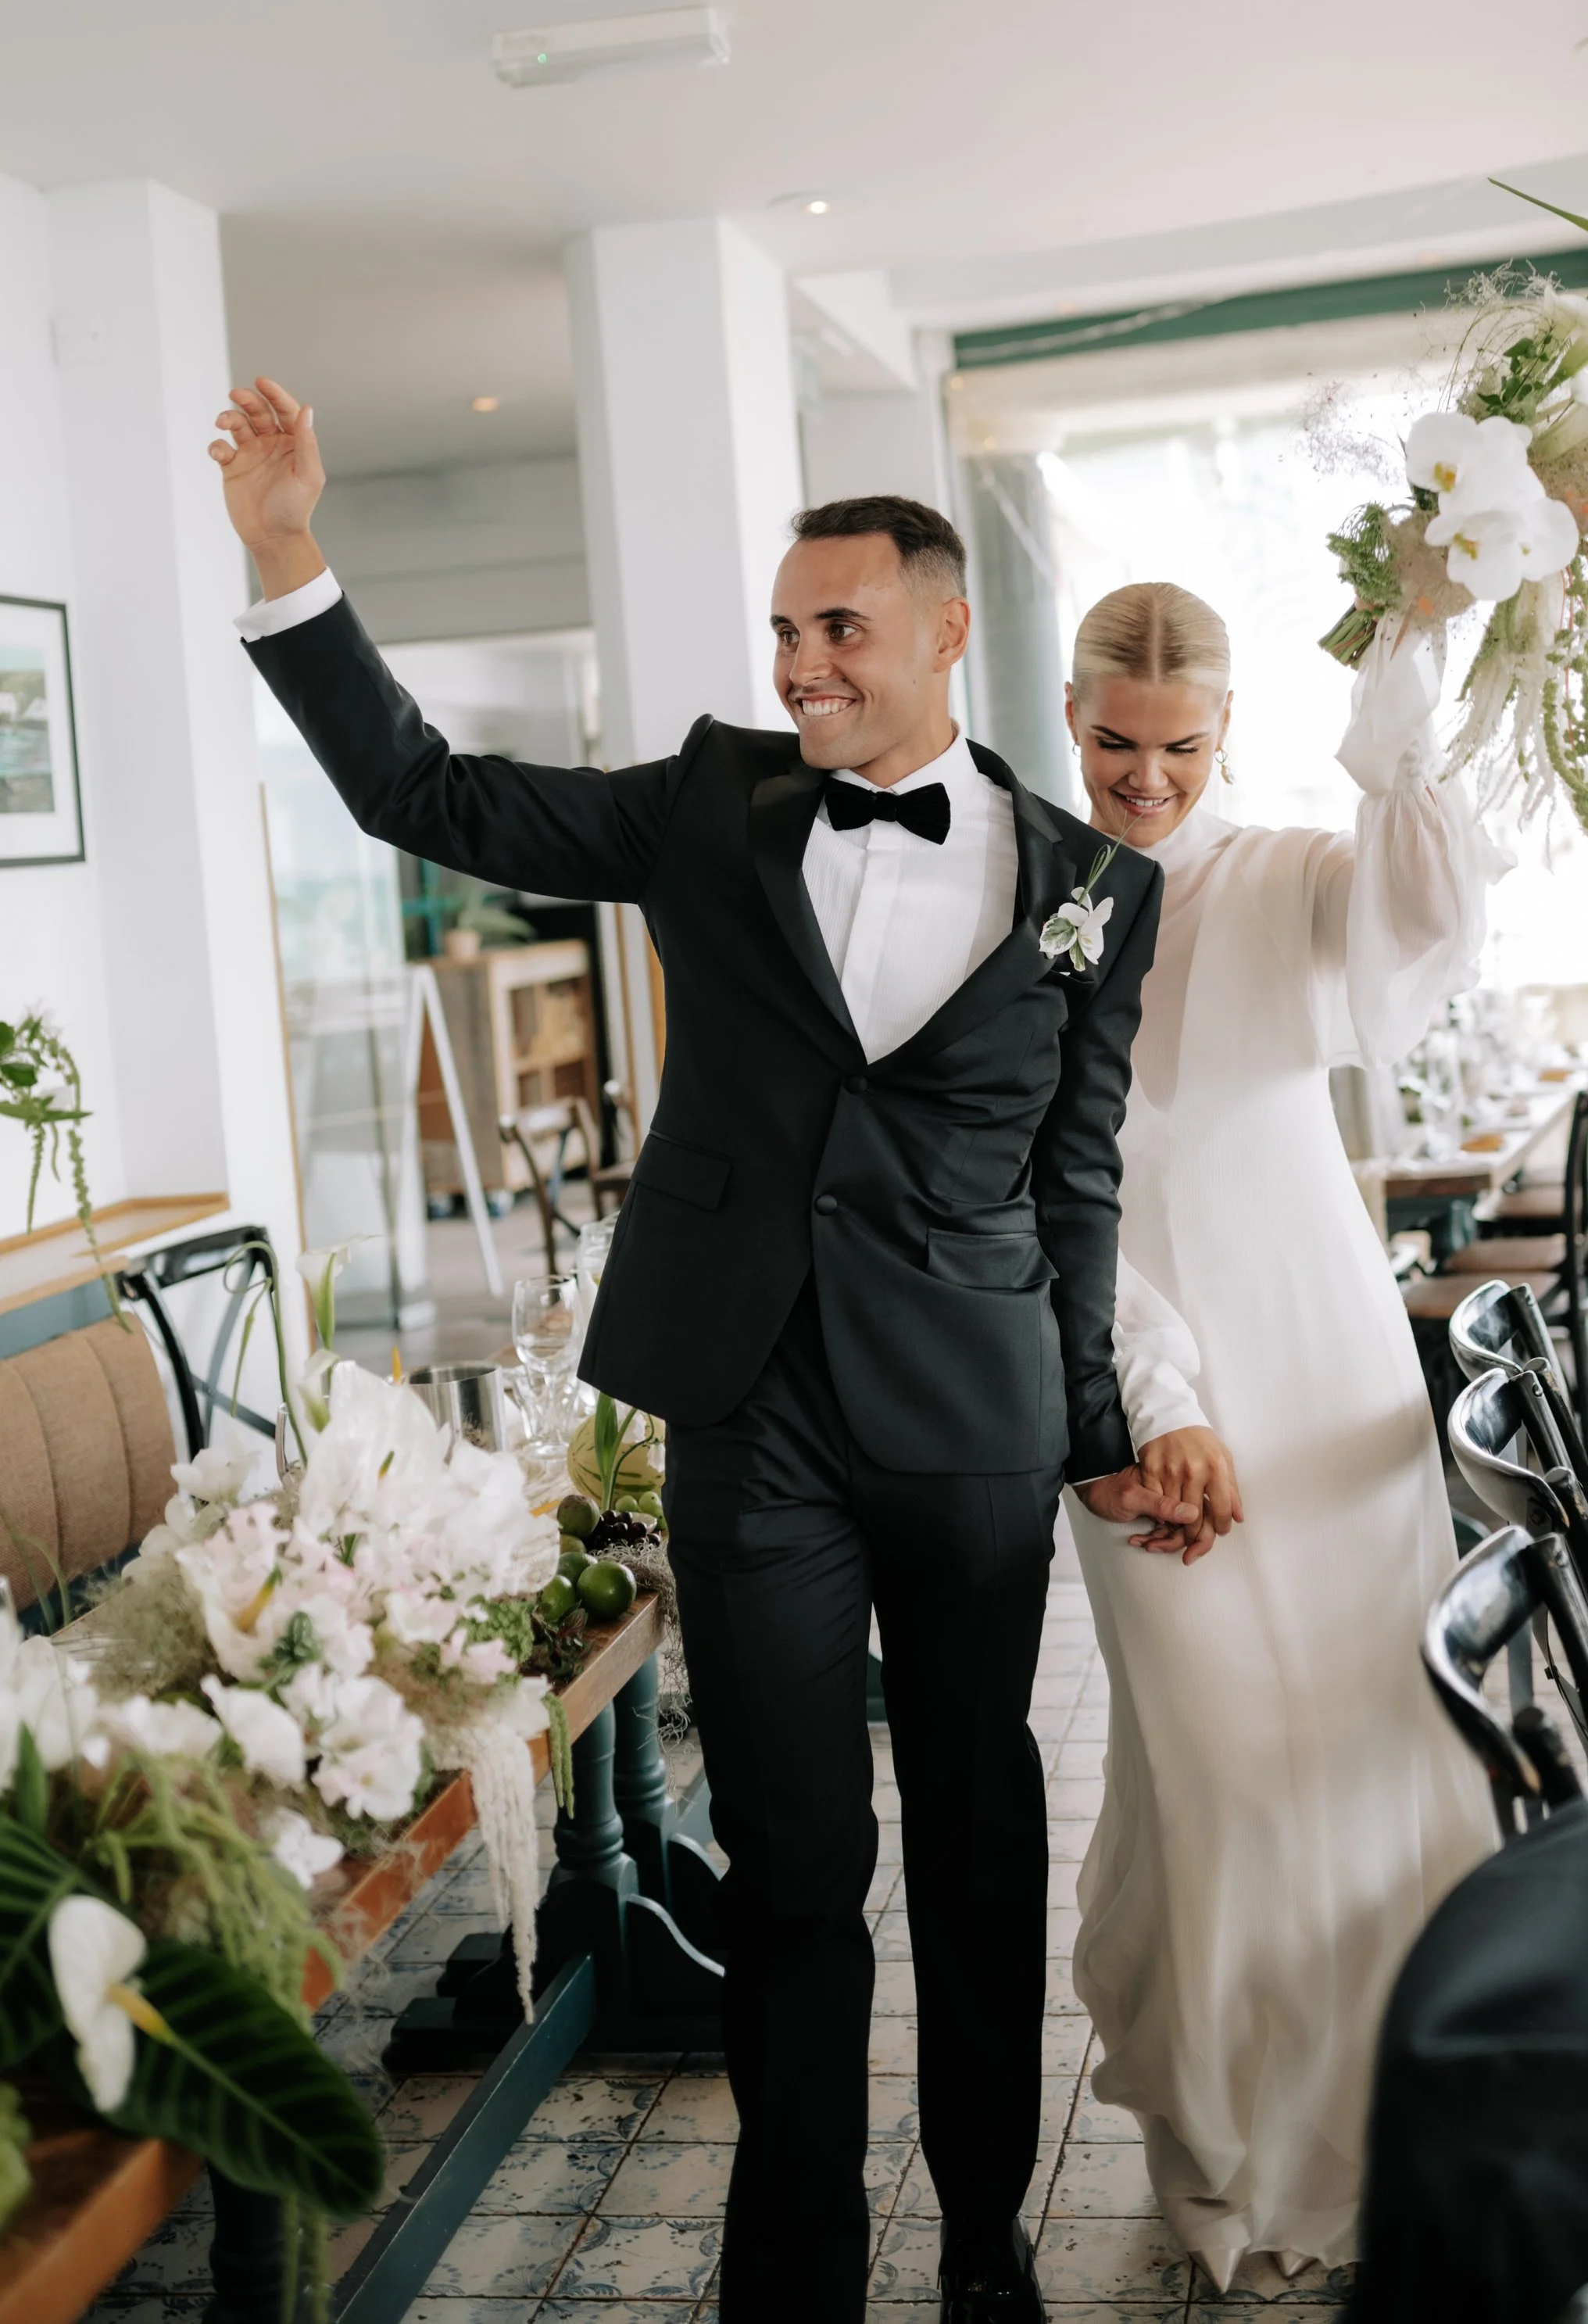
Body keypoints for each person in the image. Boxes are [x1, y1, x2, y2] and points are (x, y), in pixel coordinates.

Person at [206, 378, 1235, 2324]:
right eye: (780, 629)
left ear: (941, 630)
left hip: (971, 1431)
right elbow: (426, 794)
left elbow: (1075, 1186)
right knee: (786, 1854)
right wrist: (287, 562)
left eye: (836, 626)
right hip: (747, 1417)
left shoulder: (1101, 892)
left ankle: (983, 2241)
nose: (798, 661)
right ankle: (795, 2263)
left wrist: (1098, 1424)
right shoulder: (706, 802)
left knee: (980, 1834)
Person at [1060, 579, 1500, 2296]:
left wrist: (1406, 671)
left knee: (1373, 1743)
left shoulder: (1295, 875)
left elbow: (1423, 912)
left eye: (1177, 746)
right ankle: (1227, 2142)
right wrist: (1139, 1400)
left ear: (1222, 732)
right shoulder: (1034, 891)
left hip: (1320, 1365)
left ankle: (1391, 2122)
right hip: (1126, 1390)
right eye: (1112, 741)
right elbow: (1042, 1190)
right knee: (1217, 1763)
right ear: (1071, 714)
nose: (1144, 776)